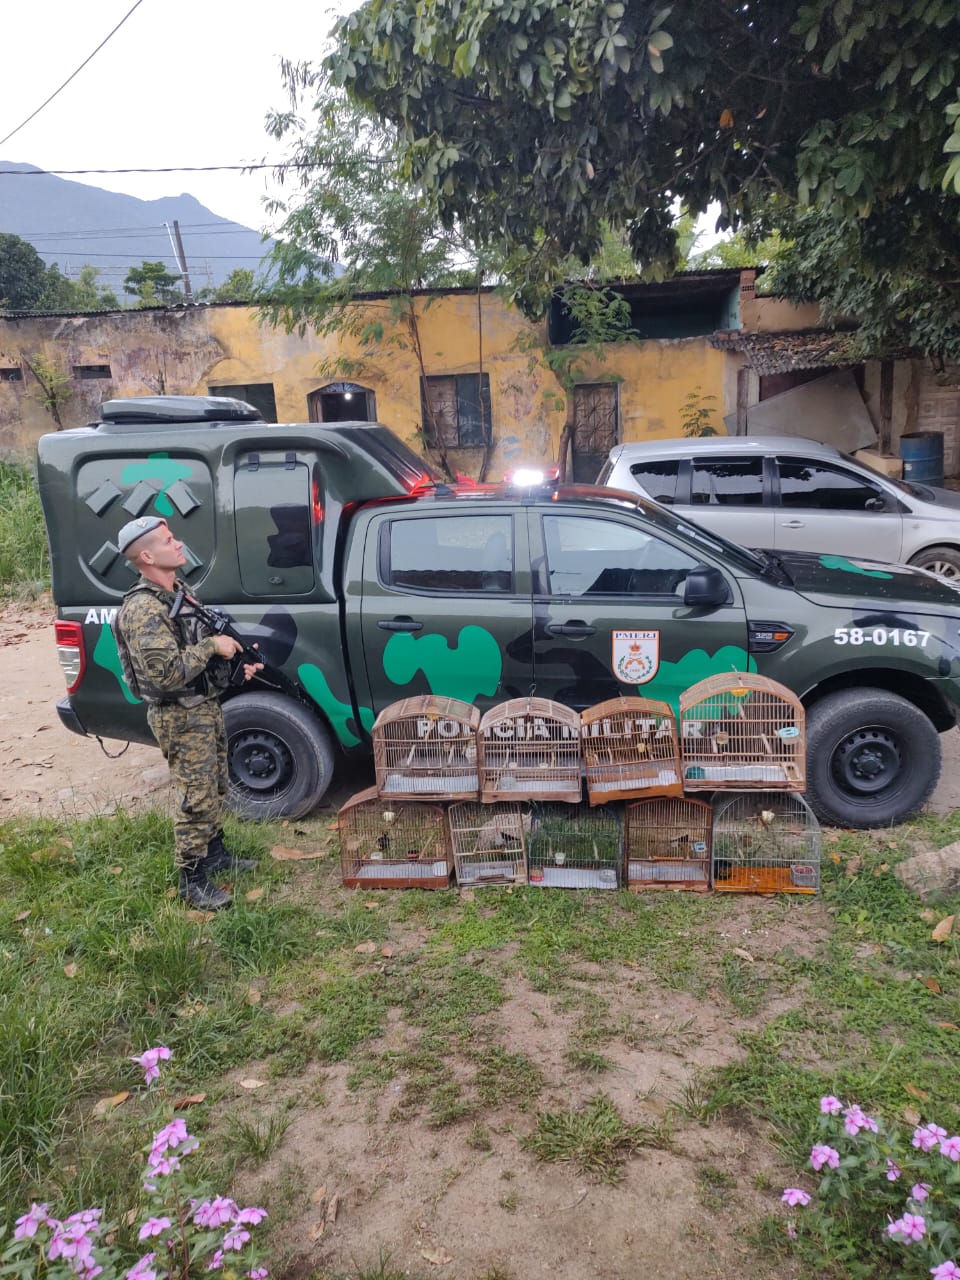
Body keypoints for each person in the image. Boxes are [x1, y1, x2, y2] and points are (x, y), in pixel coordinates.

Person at [114, 515, 262, 909]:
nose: (177, 543)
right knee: (195, 795)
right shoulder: (144, 609)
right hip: (178, 714)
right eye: (167, 540)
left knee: (214, 785)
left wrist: (233, 668)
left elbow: (193, 656)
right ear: (146, 556)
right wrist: (213, 647)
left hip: (202, 705)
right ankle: (191, 878)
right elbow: (165, 674)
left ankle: (214, 853)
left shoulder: (180, 591)